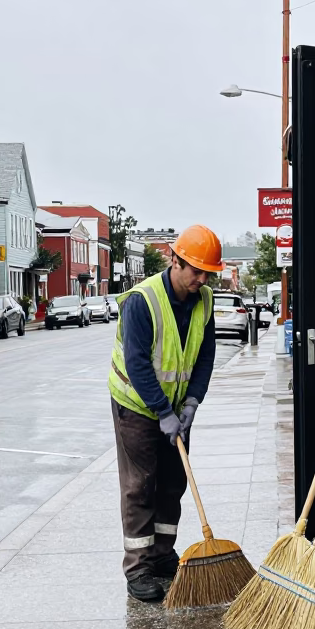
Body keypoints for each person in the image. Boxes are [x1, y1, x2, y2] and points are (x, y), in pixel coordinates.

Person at [108, 225, 222, 601]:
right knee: (141, 484)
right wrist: (162, 411)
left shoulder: (204, 301)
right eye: (195, 270)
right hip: (136, 405)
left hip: (176, 406)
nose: (202, 280)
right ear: (175, 260)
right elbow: (139, 364)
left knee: (174, 481)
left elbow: (205, 356)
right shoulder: (143, 301)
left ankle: (160, 555)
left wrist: (191, 404)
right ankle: (138, 567)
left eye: (208, 273)